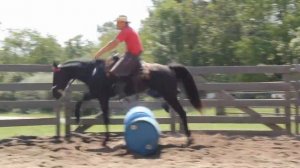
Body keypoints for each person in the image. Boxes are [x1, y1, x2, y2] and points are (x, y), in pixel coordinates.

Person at [94, 15, 144, 97]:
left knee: (113, 70)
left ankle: (122, 92)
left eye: (118, 22)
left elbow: (113, 43)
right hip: (131, 53)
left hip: (132, 54)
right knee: (113, 62)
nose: (116, 24)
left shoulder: (126, 31)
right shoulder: (128, 30)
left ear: (123, 23)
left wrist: (99, 53)